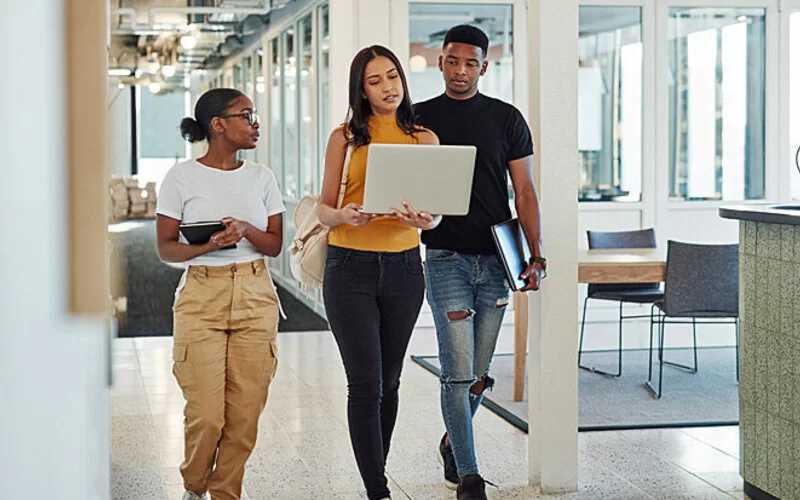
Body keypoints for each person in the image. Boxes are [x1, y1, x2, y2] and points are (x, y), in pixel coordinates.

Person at [413, 25, 546, 500]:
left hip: (495, 260)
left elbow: (525, 191)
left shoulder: (506, 119)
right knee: (457, 371)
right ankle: (469, 474)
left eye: (470, 63)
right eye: (452, 61)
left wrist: (536, 252)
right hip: (444, 257)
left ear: (484, 67)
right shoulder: (418, 118)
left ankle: (453, 440)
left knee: (481, 372)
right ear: (441, 61)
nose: (461, 70)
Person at [318, 45, 440, 500]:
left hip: (405, 268)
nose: (389, 86)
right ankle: (378, 490)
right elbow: (324, 210)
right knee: (365, 384)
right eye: (376, 81)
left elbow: (437, 212)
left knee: (390, 382)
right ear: (362, 90)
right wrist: (345, 216)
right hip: (349, 268)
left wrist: (428, 222)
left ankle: (376, 470)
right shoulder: (345, 138)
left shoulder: (424, 138)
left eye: (393, 76)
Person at [155, 88, 286, 500]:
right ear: (218, 125)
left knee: (244, 417)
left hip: (254, 293)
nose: (255, 122)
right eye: (247, 114)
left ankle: (225, 493)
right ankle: (195, 486)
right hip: (201, 298)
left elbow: (275, 244)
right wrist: (212, 244)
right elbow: (166, 247)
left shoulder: (262, 176)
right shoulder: (181, 176)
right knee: (207, 416)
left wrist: (246, 230)